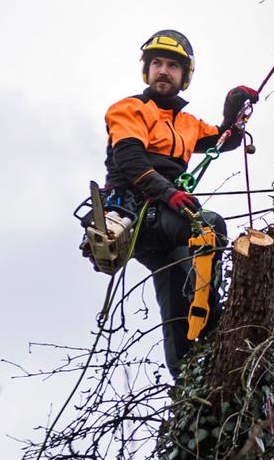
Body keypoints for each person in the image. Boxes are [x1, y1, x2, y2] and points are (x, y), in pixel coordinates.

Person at [103, 30, 259, 375]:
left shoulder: (186, 123)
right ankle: (210, 309)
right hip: (138, 212)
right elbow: (129, 160)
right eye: (157, 63)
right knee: (208, 225)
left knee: (175, 294)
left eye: (172, 66)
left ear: (184, 75)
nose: (163, 70)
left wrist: (235, 109)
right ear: (147, 71)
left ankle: (187, 376)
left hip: (169, 219)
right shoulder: (129, 109)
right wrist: (169, 193)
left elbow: (224, 140)